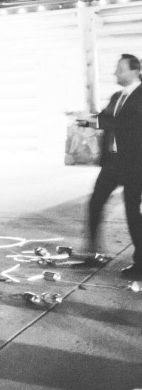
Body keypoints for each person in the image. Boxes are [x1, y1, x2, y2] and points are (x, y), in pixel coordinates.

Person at [81, 53, 142, 279]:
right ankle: (93, 252)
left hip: (136, 163)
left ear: (134, 71)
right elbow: (104, 118)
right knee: (95, 203)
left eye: (120, 69)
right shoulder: (117, 96)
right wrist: (82, 119)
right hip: (113, 163)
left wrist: (95, 120)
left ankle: (140, 263)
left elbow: (128, 123)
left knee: (133, 212)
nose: (116, 73)